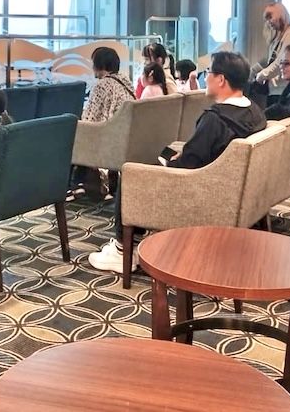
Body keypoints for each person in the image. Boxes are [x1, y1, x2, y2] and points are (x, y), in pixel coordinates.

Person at [88, 51, 267, 274]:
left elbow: (188, 167)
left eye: (209, 72)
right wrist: (181, 156)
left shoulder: (215, 119)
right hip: (229, 190)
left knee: (131, 176)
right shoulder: (255, 112)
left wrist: (172, 164)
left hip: (200, 194)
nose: (206, 77)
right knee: (162, 159)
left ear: (221, 79)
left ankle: (123, 250)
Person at [67, 47, 134, 202]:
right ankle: (81, 184)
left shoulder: (102, 85)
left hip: (107, 138)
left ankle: (72, 185)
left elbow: (88, 119)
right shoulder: (125, 82)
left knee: (74, 134)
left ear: (99, 65)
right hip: (124, 136)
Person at [250, 2, 290, 107]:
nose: (268, 22)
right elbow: (271, 60)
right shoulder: (280, 35)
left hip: (283, 87)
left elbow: (280, 61)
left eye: (270, 17)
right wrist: (255, 71)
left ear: (281, 15)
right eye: (266, 19)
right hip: (276, 87)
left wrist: (262, 75)